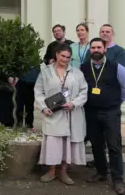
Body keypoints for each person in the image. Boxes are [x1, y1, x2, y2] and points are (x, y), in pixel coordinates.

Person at [81, 38, 125, 195]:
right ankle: (101, 172)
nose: (96, 50)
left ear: (105, 50)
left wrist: (115, 103)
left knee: (114, 146)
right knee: (96, 145)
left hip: (111, 112)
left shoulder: (117, 67)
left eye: (99, 47)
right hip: (91, 112)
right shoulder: (83, 68)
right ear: (90, 50)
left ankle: (118, 179)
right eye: (93, 47)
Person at [34, 43, 88, 184]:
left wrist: (74, 103)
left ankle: (63, 172)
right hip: (53, 114)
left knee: (67, 143)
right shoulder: (45, 72)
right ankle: (52, 171)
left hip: (71, 114)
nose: (65, 59)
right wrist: (43, 107)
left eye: (68, 57)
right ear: (57, 54)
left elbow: (84, 91)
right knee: (53, 143)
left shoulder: (77, 73)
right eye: (63, 56)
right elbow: (38, 91)